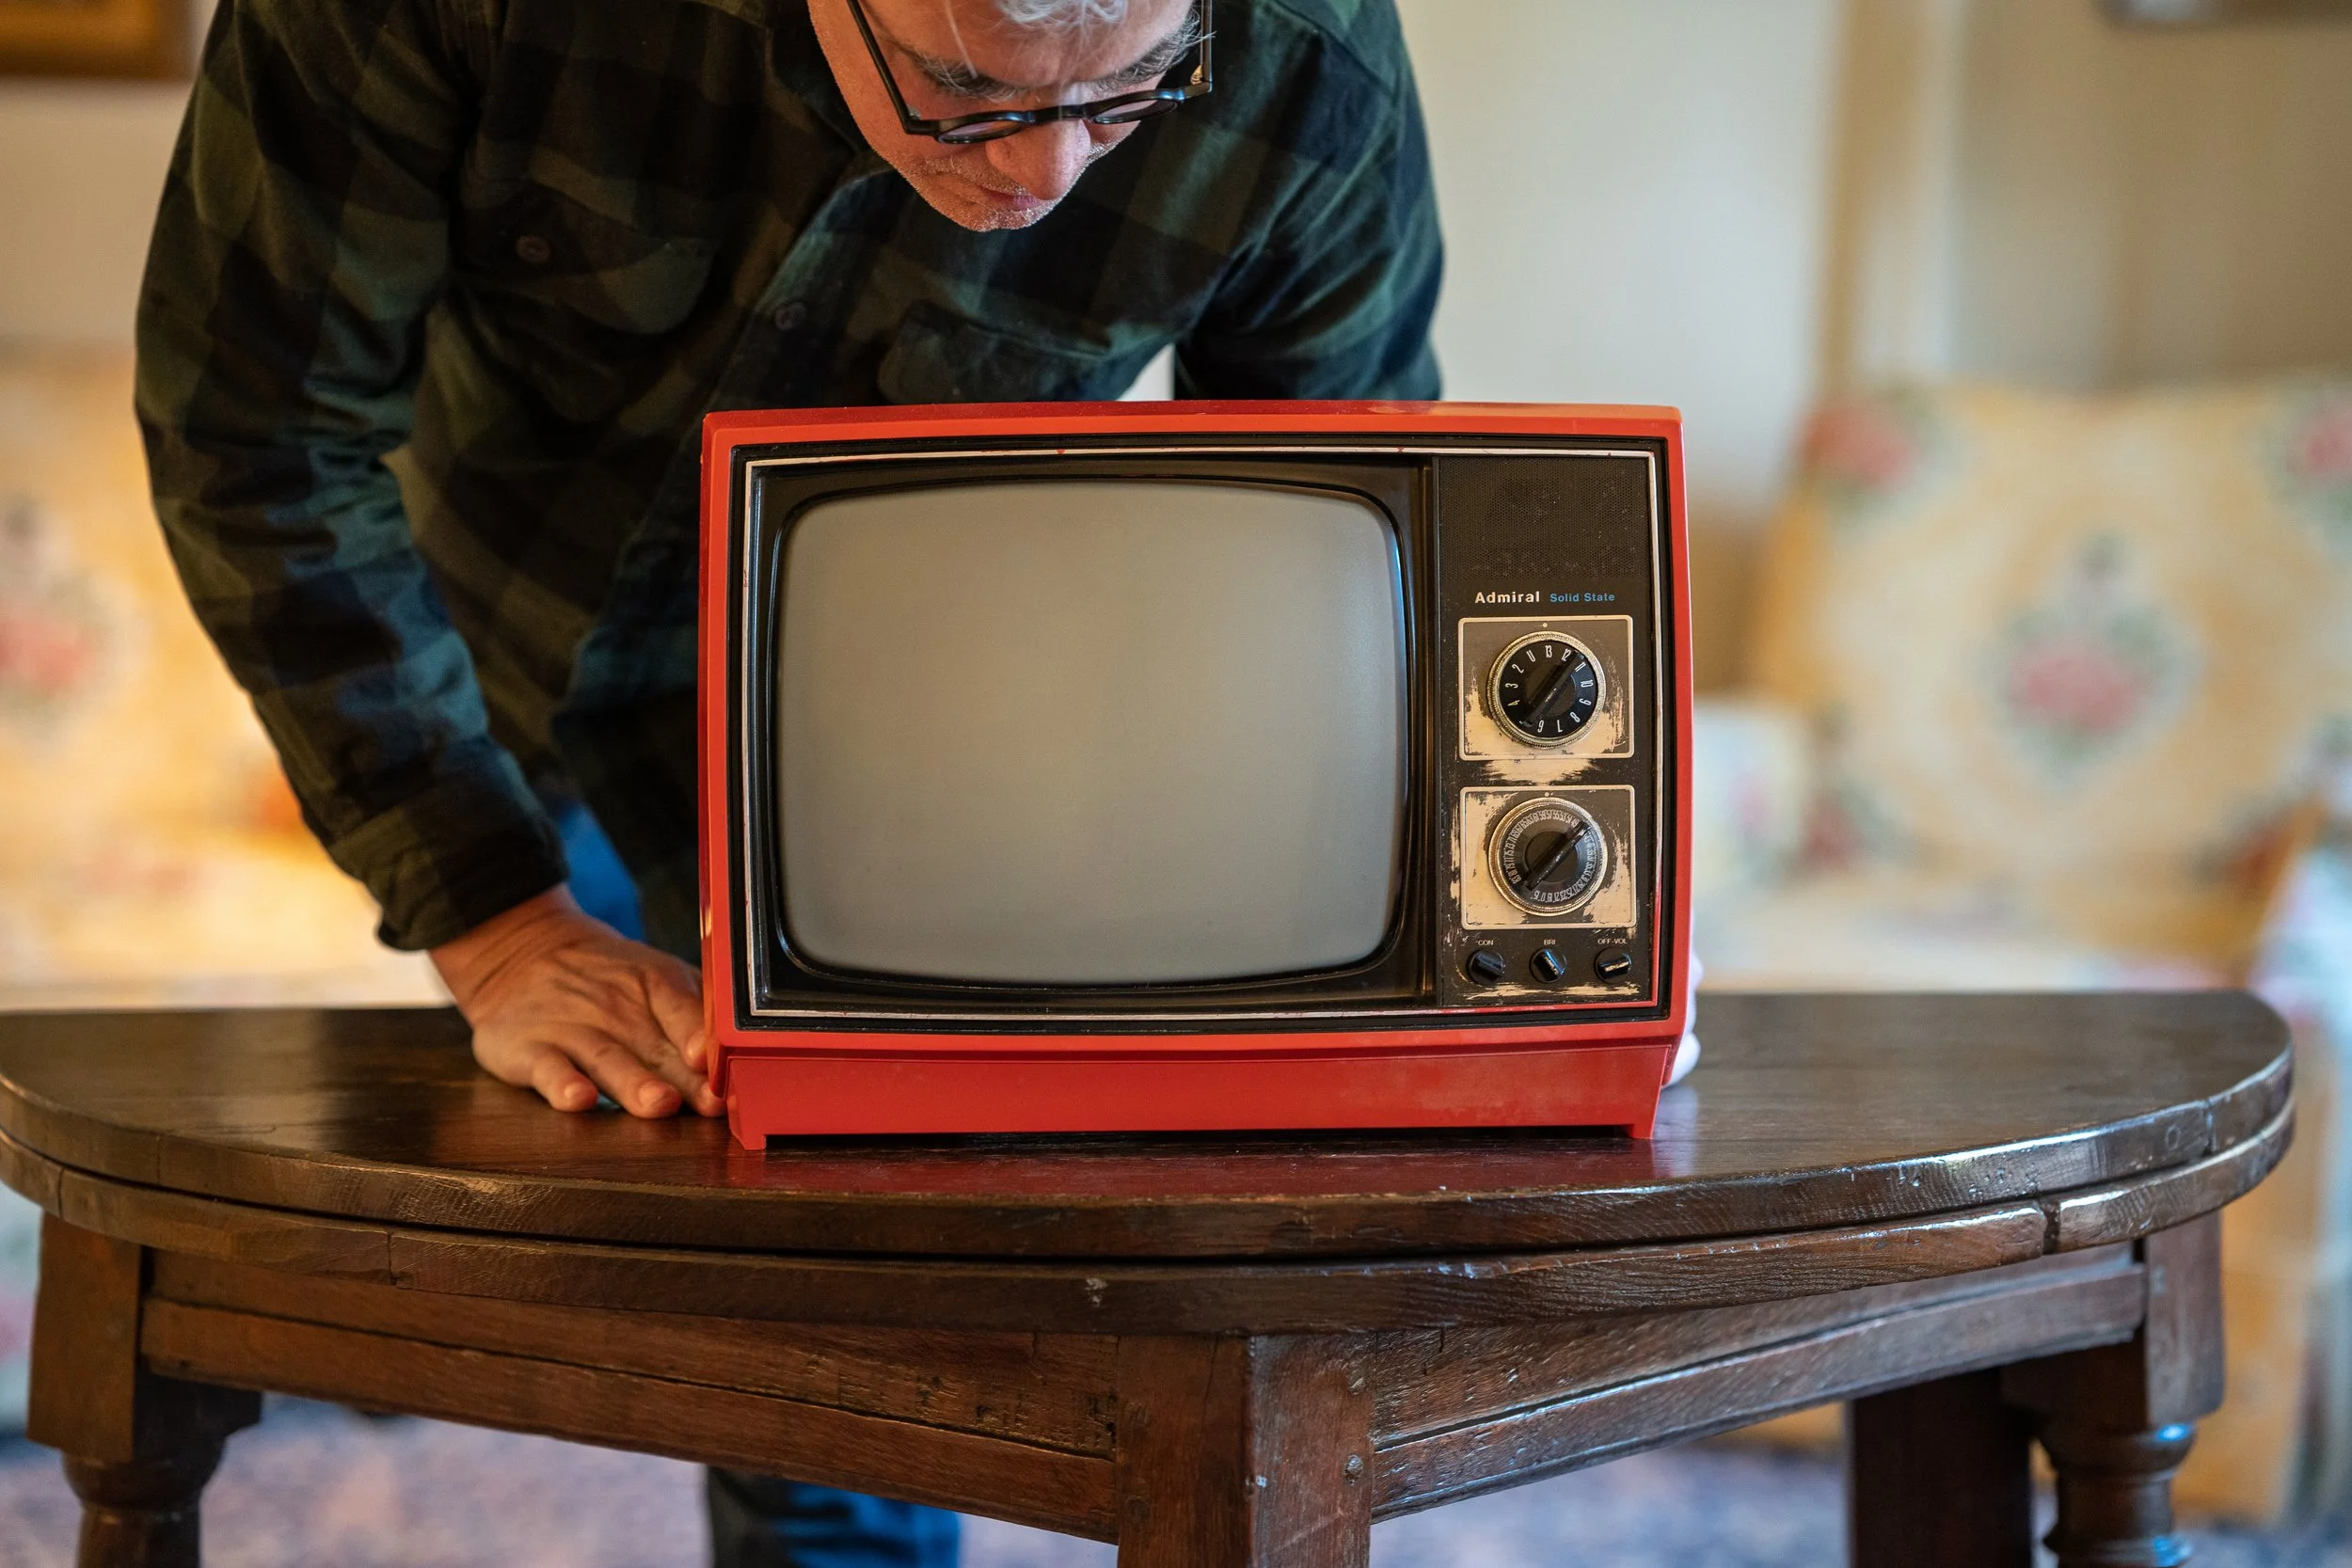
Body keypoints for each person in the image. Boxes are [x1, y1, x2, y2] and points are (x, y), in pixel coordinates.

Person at [135, 0, 1438, 1557]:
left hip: (914, 724)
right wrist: (489, 916)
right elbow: (257, 423)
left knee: (863, 1336)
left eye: (1132, 97)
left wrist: (1459, 914)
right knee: (607, 1229)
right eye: (966, 93)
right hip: (487, 671)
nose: (1047, 174)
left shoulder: (1313, 62)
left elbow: (1330, 549)